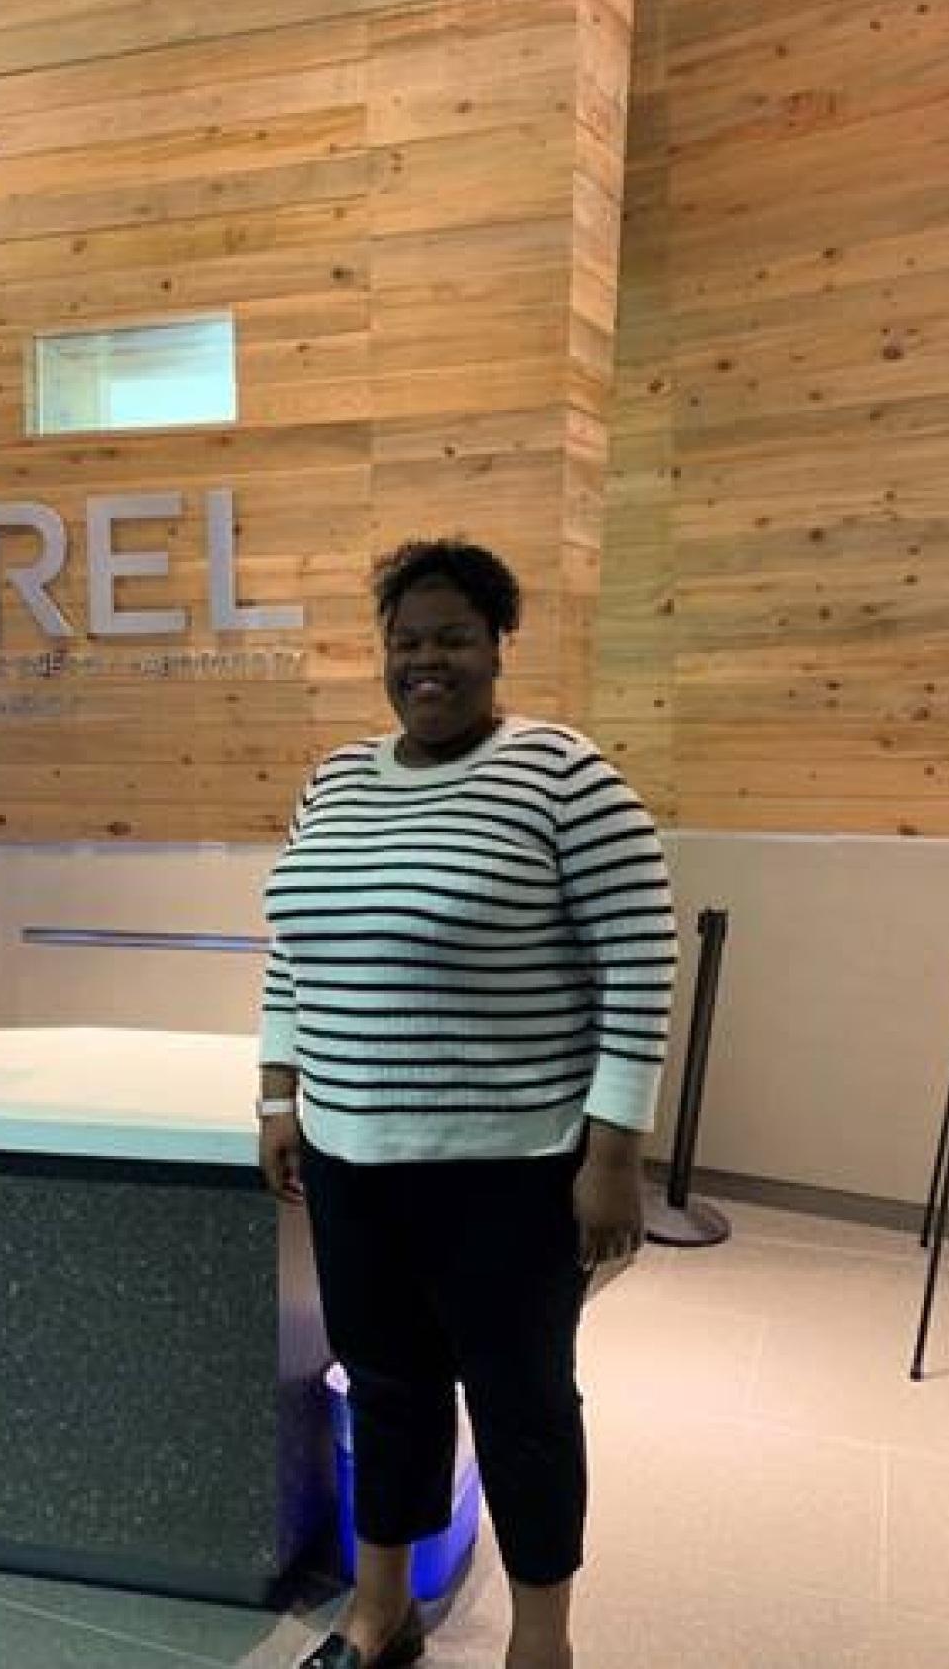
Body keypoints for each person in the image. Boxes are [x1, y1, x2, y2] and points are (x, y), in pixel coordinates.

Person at [257, 539, 677, 1669]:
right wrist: (277, 1092)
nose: (425, 660)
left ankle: (543, 1644)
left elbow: (640, 958)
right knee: (388, 1389)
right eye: (406, 641)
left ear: (497, 646)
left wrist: (615, 1150)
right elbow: (292, 948)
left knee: (523, 1401)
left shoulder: (562, 774)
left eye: (451, 637)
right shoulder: (336, 777)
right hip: (350, 1159)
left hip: (508, 1168)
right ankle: (381, 1611)